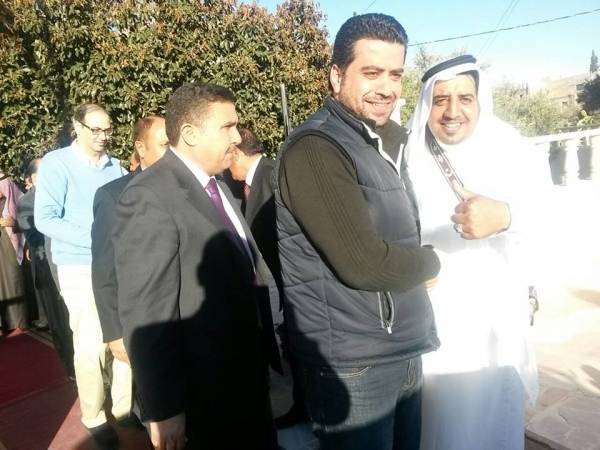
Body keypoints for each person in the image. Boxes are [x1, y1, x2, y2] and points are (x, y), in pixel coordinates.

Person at [275, 13, 441, 450]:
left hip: (400, 346)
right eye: (371, 73)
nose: (386, 88)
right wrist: (432, 260)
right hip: (353, 363)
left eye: (395, 74)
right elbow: (363, 263)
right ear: (336, 76)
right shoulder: (316, 149)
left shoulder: (385, 143)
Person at [113, 83, 281, 450]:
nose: (237, 137)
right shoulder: (149, 196)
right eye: (227, 127)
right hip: (204, 396)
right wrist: (164, 408)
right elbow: (147, 311)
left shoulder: (216, 185)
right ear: (190, 133)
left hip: (245, 380)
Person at [405, 55, 540, 450]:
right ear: (427, 104)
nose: (452, 111)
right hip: (435, 317)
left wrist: (506, 216)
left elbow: (551, 217)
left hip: (494, 316)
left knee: (494, 422)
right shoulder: (407, 155)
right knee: (440, 422)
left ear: (480, 99)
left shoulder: (510, 147)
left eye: (464, 98)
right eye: (440, 99)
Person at [34, 103, 128, 449]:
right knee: (91, 343)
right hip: (77, 265)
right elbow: (45, 218)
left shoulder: (116, 167)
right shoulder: (57, 163)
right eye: (95, 129)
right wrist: (95, 237)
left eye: (108, 129)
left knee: (123, 332)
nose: (103, 136)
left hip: (116, 264)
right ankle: (93, 415)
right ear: (78, 127)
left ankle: (123, 406)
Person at [228, 128, 308, 428]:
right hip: (275, 282)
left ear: (237, 152)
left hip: (289, 283)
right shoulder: (249, 183)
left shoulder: (273, 176)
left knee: (295, 346)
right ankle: (301, 404)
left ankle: (307, 407)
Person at [92, 116, 168, 367]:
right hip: (146, 321)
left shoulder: (189, 187)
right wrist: (114, 333)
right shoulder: (114, 196)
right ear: (141, 148)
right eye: (165, 145)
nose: (172, 153)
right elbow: (104, 269)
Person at [16, 159, 75, 377]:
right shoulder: (27, 202)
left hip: (73, 265)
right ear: (32, 179)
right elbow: (35, 238)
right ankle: (71, 367)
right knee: (60, 323)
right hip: (49, 271)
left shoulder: (65, 192)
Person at [0, 174, 27, 335]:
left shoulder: (18, 200)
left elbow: (28, 221)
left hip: (10, 244)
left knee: (12, 280)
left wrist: (13, 223)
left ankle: (19, 322)